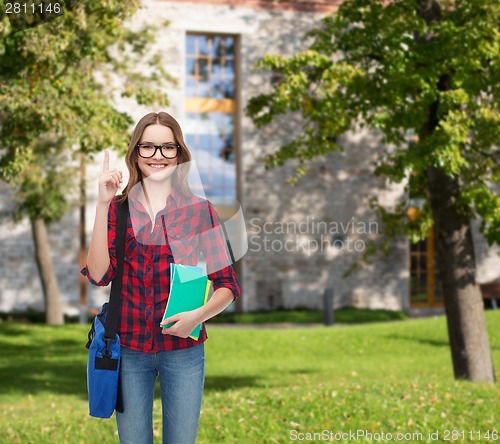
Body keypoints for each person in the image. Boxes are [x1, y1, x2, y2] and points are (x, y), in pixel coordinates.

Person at [81, 111, 241, 444]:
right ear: (135, 154)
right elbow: (98, 274)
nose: (157, 156)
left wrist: (197, 316)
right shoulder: (117, 210)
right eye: (148, 147)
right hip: (129, 350)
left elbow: (227, 284)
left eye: (167, 147)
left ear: (179, 154)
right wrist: (101, 202)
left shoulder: (199, 211)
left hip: (183, 350)